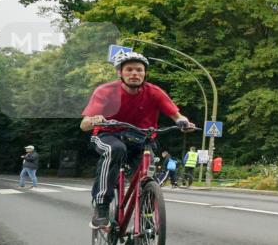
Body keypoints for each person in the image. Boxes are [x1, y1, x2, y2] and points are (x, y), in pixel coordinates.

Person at [80, 51, 194, 227]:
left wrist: (183, 122)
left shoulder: (154, 92)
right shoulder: (105, 91)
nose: (135, 73)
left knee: (148, 175)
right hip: (109, 135)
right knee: (115, 150)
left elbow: (176, 115)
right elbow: (84, 124)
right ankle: (101, 205)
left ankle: (146, 216)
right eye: (130, 70)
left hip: (142, 138)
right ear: (120, 73)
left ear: (145, 73)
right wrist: (92, 120)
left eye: (139, 70)